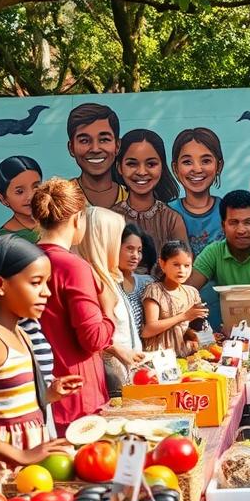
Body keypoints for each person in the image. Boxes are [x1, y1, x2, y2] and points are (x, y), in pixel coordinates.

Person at [0, 237, 77, 481]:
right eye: (36, 282)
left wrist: (49, 394)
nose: (46, 292)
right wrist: (19, 455)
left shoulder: (20, 332)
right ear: (0, 284)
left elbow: (4, 401)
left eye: (47, 283)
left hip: (28, 471)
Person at [32, 178, 115, 428]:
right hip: (77, 397)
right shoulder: (73, 267)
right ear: (78, 218)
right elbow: (93, 338)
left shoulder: (24, 260)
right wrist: (108, 309)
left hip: (38, 392)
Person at [187, 190, 250, 354]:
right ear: (223, 226)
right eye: (234, 222)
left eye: (248, 222)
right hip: (231, 346)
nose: (241, 230)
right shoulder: (213, 252)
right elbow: (186, 291)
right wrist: (199, 328)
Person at [76, 207, 146, 395]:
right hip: (108, 378)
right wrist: (118, 350)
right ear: (101, 241)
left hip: (126, 372)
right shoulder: (87, 278)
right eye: (116, 239)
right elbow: (91, 333)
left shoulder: (109, 277)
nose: (133, 255)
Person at [111, 129, 189, 256]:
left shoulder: (172, 220)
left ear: (162, 167)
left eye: (151, 164)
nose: (142, 172)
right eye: (132, 164)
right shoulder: (110, 218)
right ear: (119, 167)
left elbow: (183, 264)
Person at [142, 240, 207, 358]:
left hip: (186, 356)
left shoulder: (191, 293)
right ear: (162, 264)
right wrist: (184, 316)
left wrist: (193, 335)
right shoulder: (155, 291)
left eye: (187, 265)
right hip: (161, 358)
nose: (182, 270)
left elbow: (189, 327)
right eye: (176, 264)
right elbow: (148, 330)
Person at [169, 127, 225, 255]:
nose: (197, 169)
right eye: (187, 162)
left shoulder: (228, 211)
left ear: (219, 166)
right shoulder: (166, 213)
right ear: (175, 168)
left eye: (206, 161)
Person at [67, 103, 128, 208]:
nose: (95, 149)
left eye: (104, 140)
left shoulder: (133, 199)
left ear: (117, 146)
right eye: (84, 141)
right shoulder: (59, 198)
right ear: (71, 148)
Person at [119, 223, 155, 358]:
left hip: (145, 357)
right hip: (117, 359)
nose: (135, 256)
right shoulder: (107, 285)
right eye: (130, 249)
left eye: (139, 250)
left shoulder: (147, 283)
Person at [0, 155, 42, 243]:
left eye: (36, 187)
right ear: (3, 199)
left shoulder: (57, 222)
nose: (30, 196)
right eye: (19, 191)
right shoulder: (4, 239)